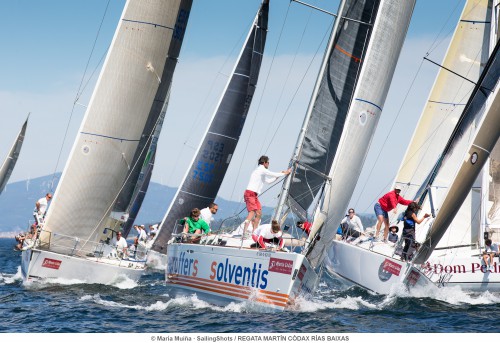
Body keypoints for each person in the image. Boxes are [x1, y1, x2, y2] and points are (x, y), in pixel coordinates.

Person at [243, 156, 291, 235]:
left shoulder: (262, 171)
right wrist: (284, 173)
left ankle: (254, 232)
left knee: (259, 213)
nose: (269, 164)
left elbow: (268, 181)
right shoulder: (261, 169)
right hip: (250, 193)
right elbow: (271, 173)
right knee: (251, 213)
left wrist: (279, 175)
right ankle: (244, 233)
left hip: (254, 195)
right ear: (264, 163)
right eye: (268, 162)